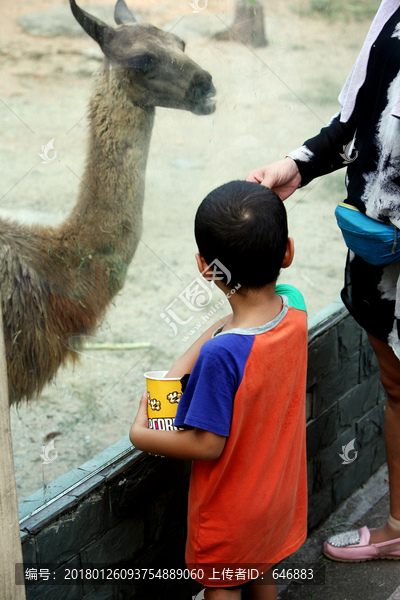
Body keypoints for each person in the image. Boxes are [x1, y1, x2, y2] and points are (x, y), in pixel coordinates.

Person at [246, 0, 400, 562]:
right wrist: (300, 163)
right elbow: (358, 120)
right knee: (396, 387)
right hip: (382, 260)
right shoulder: (393, 10)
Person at [130, 180, 309, 599]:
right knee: (263, 575)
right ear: (288, 251)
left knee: (222, 589)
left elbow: (208, 444)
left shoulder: (222, 356)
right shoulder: (295, 308)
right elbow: (243, 320)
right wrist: (221, 330)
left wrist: (141, 434)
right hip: (279, 497)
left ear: (205, 268)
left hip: (231, 514)